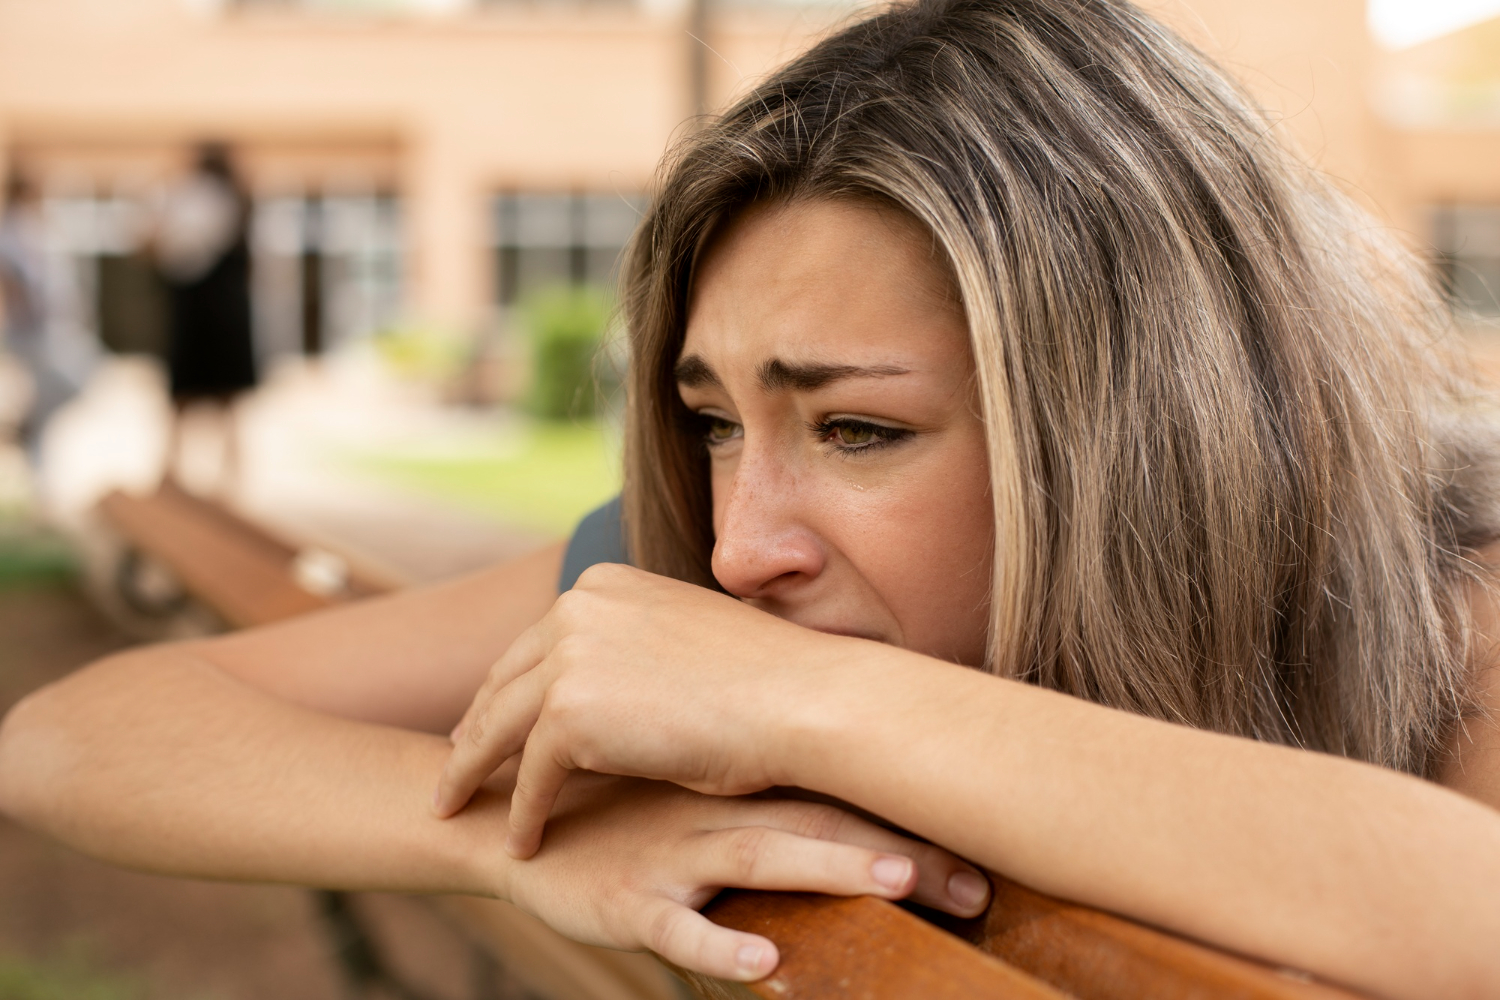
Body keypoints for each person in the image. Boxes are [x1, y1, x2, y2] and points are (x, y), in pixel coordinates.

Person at [2, 0, 1500, 996]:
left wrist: (803, 704)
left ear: (1148, 433)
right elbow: (77, 739)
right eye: (712, 421)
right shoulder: (703, 586)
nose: (739, 546)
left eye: (856, 426)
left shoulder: (1458, 598)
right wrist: (503, 841)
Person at [154, 143, 258, 494]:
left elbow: (181, 253)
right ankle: (224, 471)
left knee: (188, 393)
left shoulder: (201, 197)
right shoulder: (234, 197)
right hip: (223, 311)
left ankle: (175, 468)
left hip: (202, 310)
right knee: (223, 397)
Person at [0, 170, 85, 469]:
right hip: (31, 328)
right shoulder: (10, 228)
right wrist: (27, 310)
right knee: (62, 384)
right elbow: (12, 276)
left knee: (63, 388)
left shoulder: (34, 226)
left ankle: (27, 431)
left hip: (49, 325)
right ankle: (29, 440)